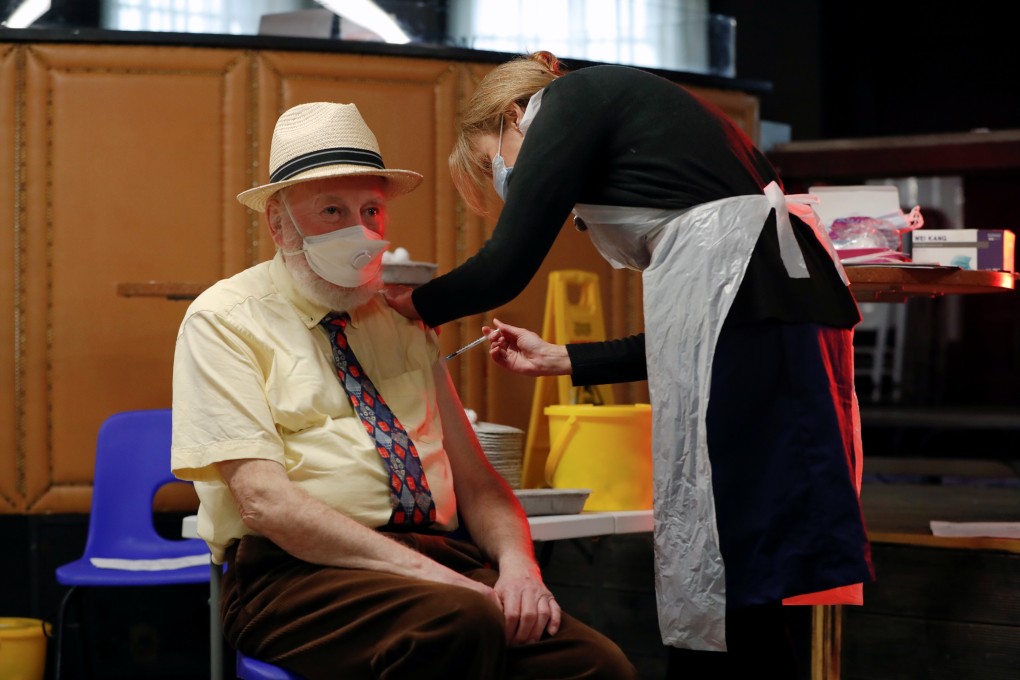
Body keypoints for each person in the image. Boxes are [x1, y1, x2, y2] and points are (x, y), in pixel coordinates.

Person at [382, 52, 875, 676]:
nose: (506, 171)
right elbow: (693, 341)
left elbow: (505, 265)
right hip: (778, 321)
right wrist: (564, 358)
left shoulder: (567, 102)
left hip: (762, 319)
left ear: (514, 115)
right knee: (756, 572)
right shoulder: (691, 200)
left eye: (492, 159)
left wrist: (409, 304)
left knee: (735, 568)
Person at [170, 101, 638, 680]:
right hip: (294, 576)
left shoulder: (404, 326)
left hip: (439, 563)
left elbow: (479, 485)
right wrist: (449, 583)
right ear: (277, 221)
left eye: (370, 210)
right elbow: (266, 503)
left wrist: (520, 569)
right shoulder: (224, 320)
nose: (359, 232)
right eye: (332, 211)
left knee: (597, 665)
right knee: (458, 622)